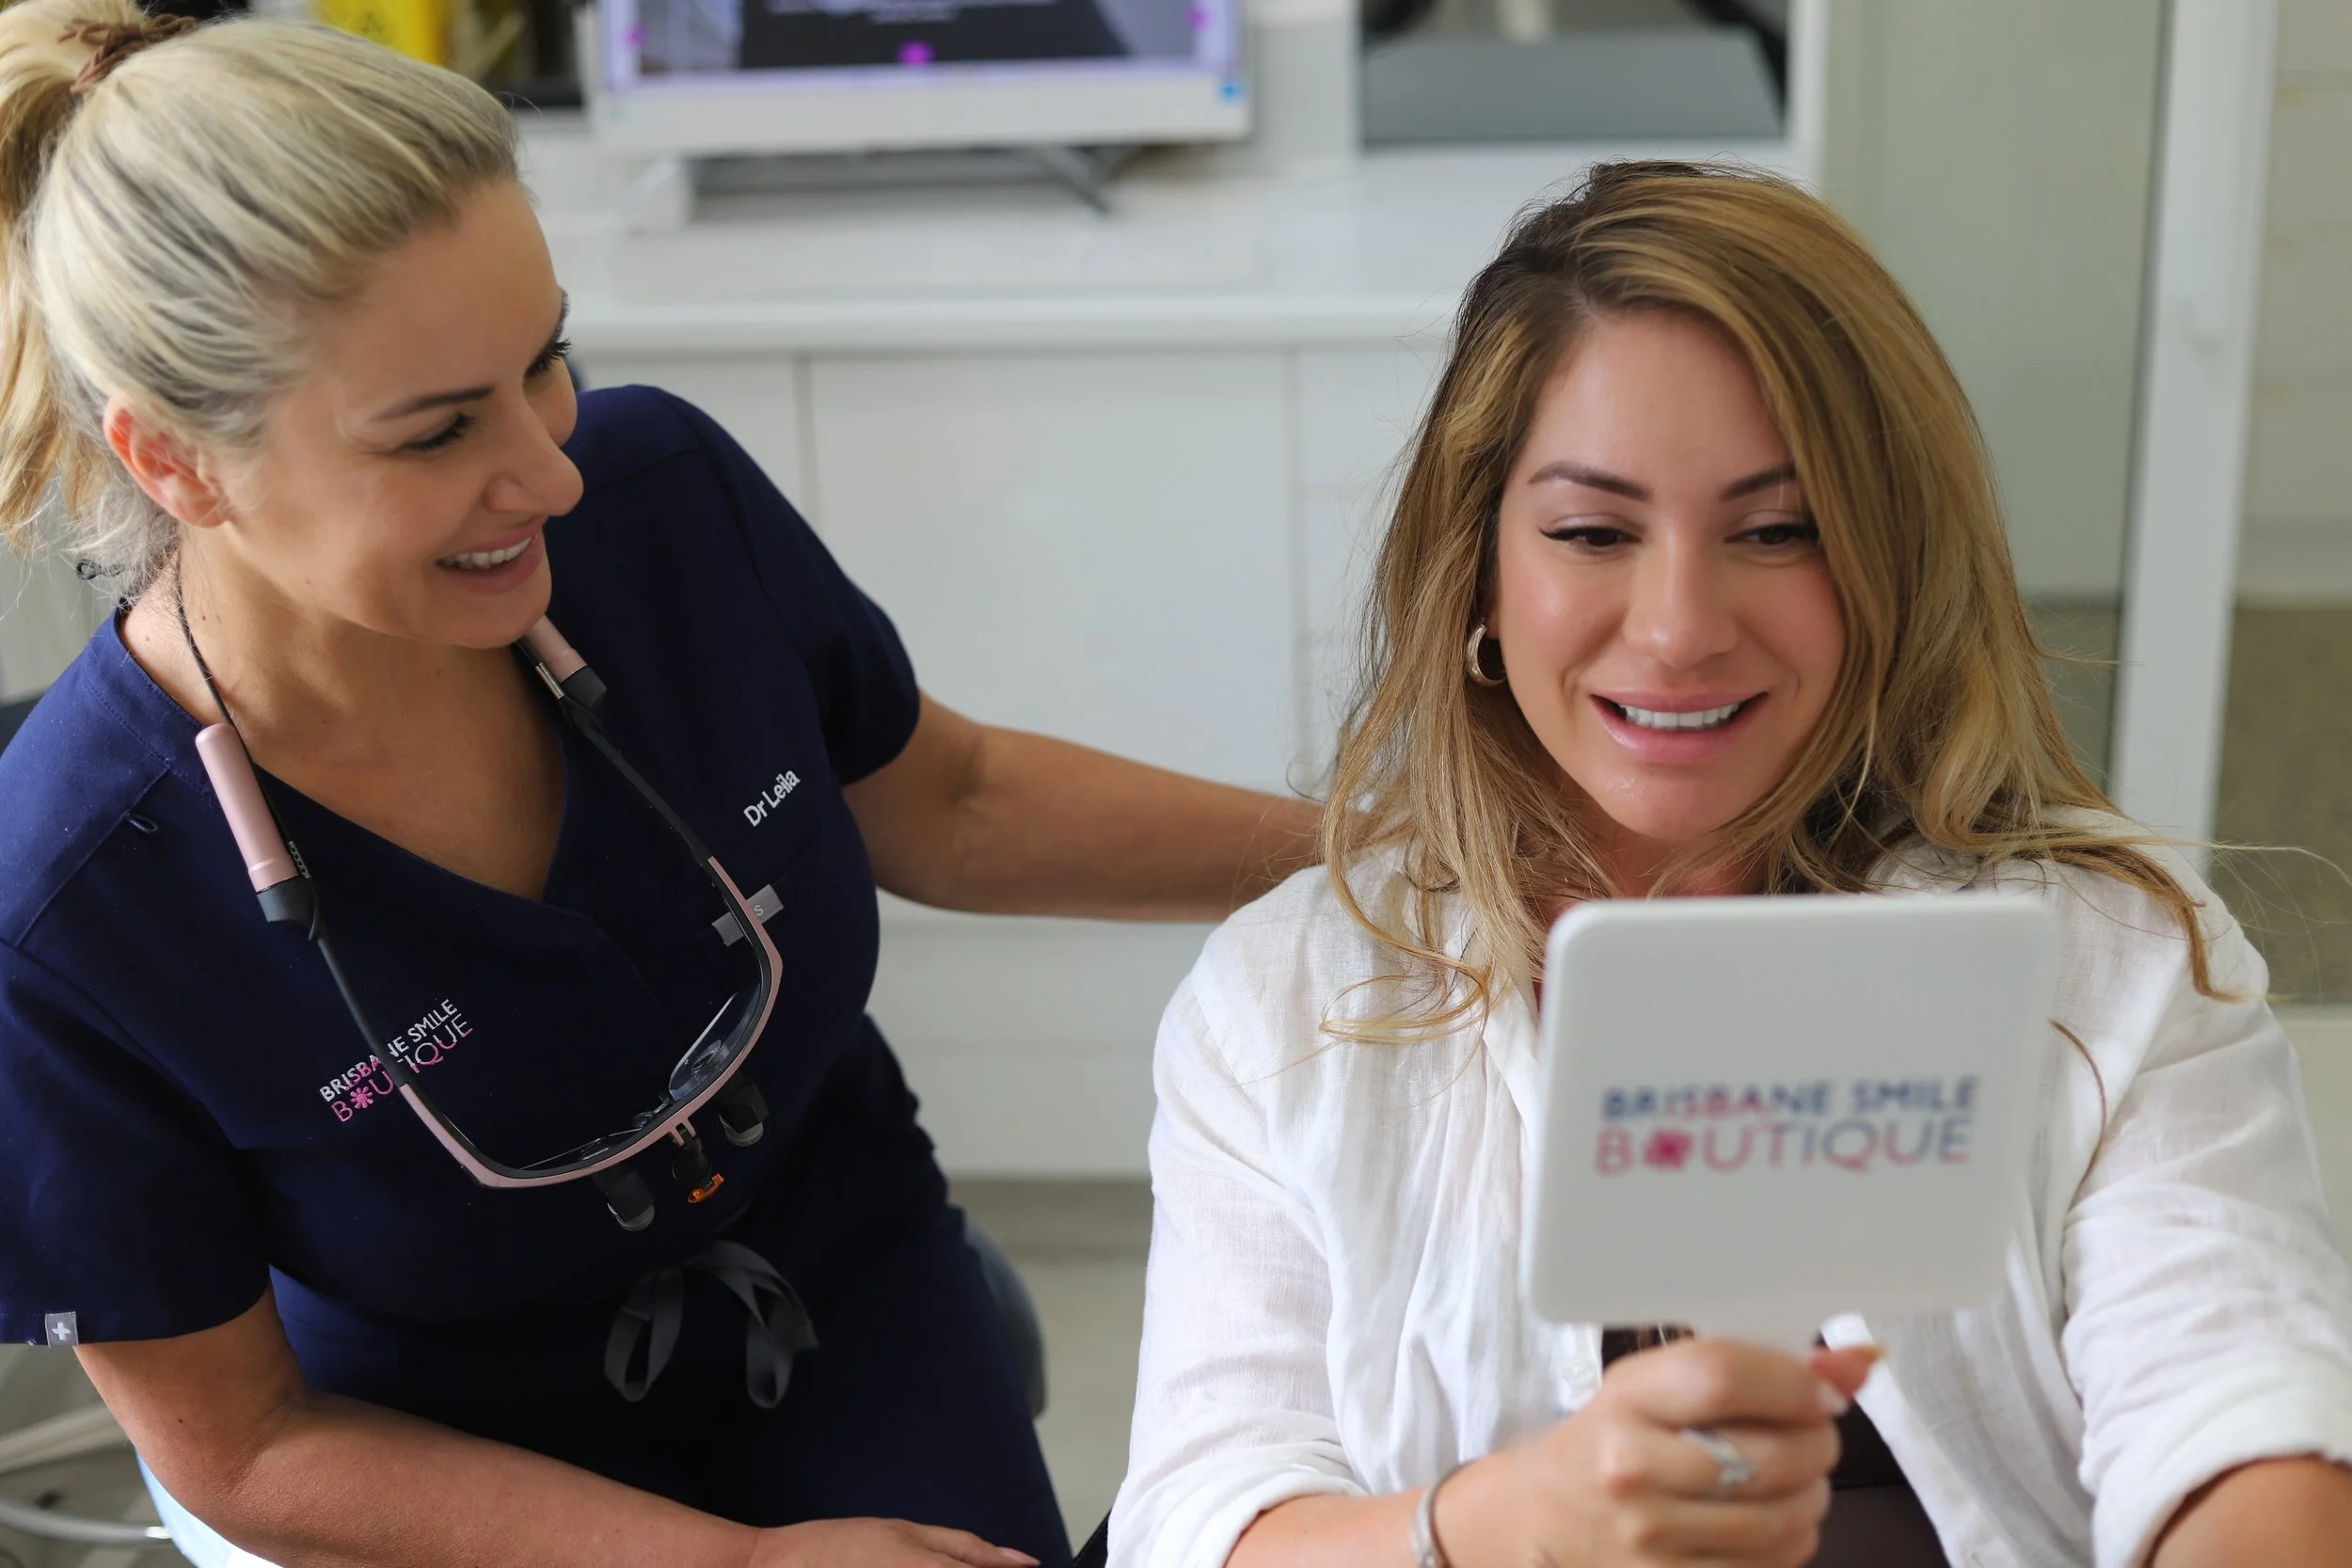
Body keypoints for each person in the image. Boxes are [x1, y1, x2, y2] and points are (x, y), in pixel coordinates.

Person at [0, 6, 1320, 1566]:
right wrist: (736, 1564)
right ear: (177, 461)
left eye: (545, 361)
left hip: (839, 1285)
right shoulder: (66, 913)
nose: (550, 471)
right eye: (439, 433)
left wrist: (1380, 855)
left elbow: (949, 799)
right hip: (440, 1451)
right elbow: (243, 1442)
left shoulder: (655, 505)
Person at [1109, 162, 2352, 1568]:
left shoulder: (2116, 966)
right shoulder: (1282, 1008)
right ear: (1477, 572)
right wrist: (1504, 1525)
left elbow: (2246, 1428)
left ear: (1888, 564)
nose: (1680, 627)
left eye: (1777, 531)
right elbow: (1202, 1522)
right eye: (1593, 532)